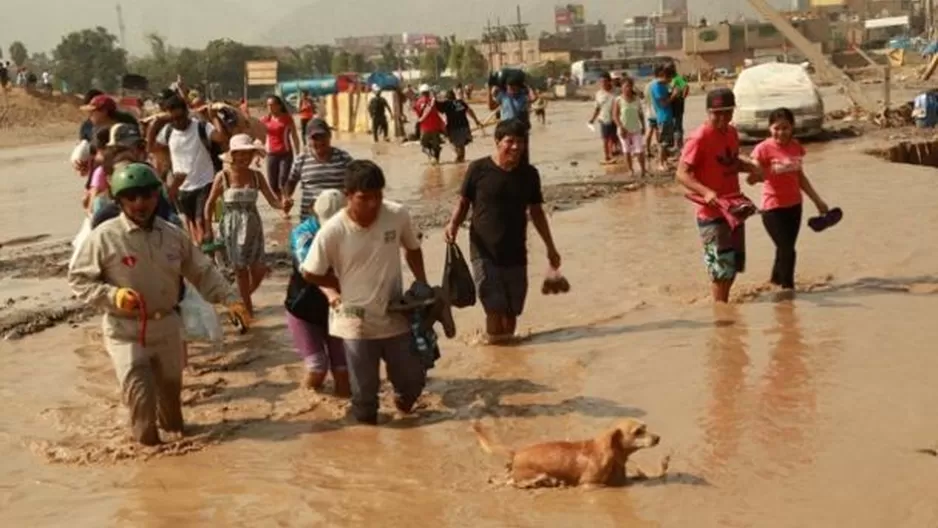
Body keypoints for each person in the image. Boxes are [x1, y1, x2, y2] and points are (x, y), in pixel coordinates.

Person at [68, 162, 250, 446]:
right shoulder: (103, 238)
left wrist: (230, 299)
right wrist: (113, 296)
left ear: (157, 196)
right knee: (141, 399)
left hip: (166, 326)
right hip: (126, 330)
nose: (140, 203)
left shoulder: (172, 235)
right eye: (131, 197)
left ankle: (178, 462)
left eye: (147, 195)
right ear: (119, 200)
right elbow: (79, 281)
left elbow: (202, 271)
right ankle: (148, 455)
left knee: (172, 406)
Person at [300, 160, 429, 425]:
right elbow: (309, 272)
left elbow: (413, 248)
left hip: (394, 312)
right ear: (348, 196)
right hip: (354, 321)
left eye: (378, 196)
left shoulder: (397, 214)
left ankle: (403, 408)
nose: (373, 204)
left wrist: (422, 283)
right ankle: (367, 435)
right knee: (364, 394)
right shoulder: (332, 231)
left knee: (412, 380)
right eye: (365, 198)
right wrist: (338, 285)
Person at [444, 119, 561, 344]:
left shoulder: (529, 174)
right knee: (494, 307)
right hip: (484, 251)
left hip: (516, 252)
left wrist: (550, 247)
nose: (516, 147)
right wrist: (453, 225)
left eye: (520, 142)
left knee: (511, 311)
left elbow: (536, 212)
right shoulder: (478, 169)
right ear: (497, 142)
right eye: (510, 141)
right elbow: (463, 202)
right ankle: (497, 350)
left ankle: (506, 358)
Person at [676, 88, 761, 303]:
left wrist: (751, 167)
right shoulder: (699, 137)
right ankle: (720, 310)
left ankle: (725, 304)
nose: (723, 118)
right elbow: (681, 174)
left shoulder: (732, 133)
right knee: (720, 270)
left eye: (727, 112)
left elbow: (731, 163)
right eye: (717, 113)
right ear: (708, 112)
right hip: (710, 213)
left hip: (733, 208)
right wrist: (706, 192)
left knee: (733, 265)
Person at [747, 108, 830, 291]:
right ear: (770, 128)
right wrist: (755, 176)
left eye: (785, 128)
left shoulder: (796, 147)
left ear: (792, 128)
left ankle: (775, 283)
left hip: (794, 207)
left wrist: (818, 201)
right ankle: (788, 291)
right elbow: (751, 176)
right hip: (772, 209)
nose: (781, 132)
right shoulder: (763, 149)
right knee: (787, 250)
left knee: (784, 248)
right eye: (777, 128)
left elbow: (800, 177)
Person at [204, 134, 284, 316]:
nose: (243, 158)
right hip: (231, 228)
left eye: (248, 154)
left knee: (259, 270)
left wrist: (284, 204)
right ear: (232, 155)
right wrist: (208, 229)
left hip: (253, 228)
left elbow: (273, 201)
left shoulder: (257, 176)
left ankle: (238, 299)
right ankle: (247, 312)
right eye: (239, 154)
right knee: (240, 271)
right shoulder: (222, 176)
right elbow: (209, 204)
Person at [285, 189, 350, 395]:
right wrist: (332, 291)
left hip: (338, 309)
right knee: (317, 366)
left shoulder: (353, 230)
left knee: (343, 369)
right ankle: (305, 401)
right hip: (304, 307)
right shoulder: (303, 235)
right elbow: (309, 271)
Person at [148, 95, 229, 245]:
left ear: (187, 112)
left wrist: (214, 117)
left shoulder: (201, 127)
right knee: (191, 222)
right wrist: (155, 124)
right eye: (173, 119)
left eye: (180, 117)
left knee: (201, 220)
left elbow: (221, 138)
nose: (178, 122)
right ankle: (202, 251)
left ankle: (206, 255)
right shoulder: (168, 131)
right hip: (182, 186)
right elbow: (151, 147)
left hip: (205, 180)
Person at [283, 118, 353, 221]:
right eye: (315, 138)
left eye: (323, 137)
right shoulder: (301, 159)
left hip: (338, 220)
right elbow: (291, 182)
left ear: (330, 136)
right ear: (307, 140)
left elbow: (357, 182)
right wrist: (286, 198)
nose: (320, 142)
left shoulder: (344, 158)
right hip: (309, 219)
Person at [488, 74, 537, 165]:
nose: (512, 89)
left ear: (519, 87)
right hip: (506, 129)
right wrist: (490, 91)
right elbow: (491, 107)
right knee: (504, 152)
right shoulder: (503, 96)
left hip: (520, 129)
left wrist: (529, 86)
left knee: (522, 153)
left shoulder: (523, 97)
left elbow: (534, 98)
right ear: (506, 87)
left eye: (514, 87)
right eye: (510, 86)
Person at [261, 95, 301, 201]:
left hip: (285, 153)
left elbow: (295, 136)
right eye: (268, 105)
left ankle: (285, 203)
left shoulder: (287, 118)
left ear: (279, 106)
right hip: (271, 154)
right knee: (272, 184)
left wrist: (298, 153)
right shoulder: (265, 120)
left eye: (272, 105)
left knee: (283, 181)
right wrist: (257, 155)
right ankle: (280, 202)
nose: (270, 107)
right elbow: (260, 138)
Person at [612, 78, 646, 177]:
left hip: (636, 128)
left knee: (639, 150)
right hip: (623, 130)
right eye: (626, 86)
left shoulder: (637, 100)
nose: (628, 88)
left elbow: (641, 114)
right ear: (622, 87)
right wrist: (621, 127)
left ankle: (643, 170)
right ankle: (631, 170)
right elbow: (615, 116)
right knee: (626, 150)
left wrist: (643, 126)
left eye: (629, 86)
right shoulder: (618, 100)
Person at [439, 89, 483, 163]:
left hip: (454, 128)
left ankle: (459, 163)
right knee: (461, 147)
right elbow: (470, 111)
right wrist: (476, 121)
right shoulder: (461, 102)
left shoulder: (446, 104)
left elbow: (436, 109)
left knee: (455, 145)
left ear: (446, 98)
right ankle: (461, 163)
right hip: (465, 127)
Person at [649, 66, 675, 173]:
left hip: (667, 116)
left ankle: (664, 162)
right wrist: (673, 96)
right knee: (663, 142)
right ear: (664, 76)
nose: (670, 81)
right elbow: (663, 103)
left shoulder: (663, 85)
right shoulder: (657, 86)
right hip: (663, 117)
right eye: (669, 78)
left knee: (666, 142)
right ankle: (660, 163)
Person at [588, 72, 618, 164]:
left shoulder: (617, 91)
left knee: (614, 138)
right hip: (604, 119)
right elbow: (597, 108)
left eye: (605, 81)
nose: (603, 84)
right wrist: (592, 119)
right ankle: (607, 157)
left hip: (616, 119)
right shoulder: (598, 94)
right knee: (605, 139)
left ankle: (612, 152)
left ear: (609, 81)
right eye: (601, 82)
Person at [413, 84, 446, 164]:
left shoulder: (417, 103)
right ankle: (437, 161)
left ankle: (431, 157)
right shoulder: (433, 101)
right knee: (437, 146)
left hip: (425, 128)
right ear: (428, 92)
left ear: (421, 93)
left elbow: (418, 117)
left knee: (424, 146)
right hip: (436, 127)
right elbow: (441, 111)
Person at [668, 64, 690, 148]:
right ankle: (676, 143)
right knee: (674, 125)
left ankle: (679, 145)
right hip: (672, 104)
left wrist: (682, 97)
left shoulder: (677, 78)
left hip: (677, 105)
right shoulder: (669, 78)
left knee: (677, 125)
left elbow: (686, 86)